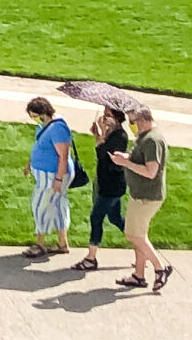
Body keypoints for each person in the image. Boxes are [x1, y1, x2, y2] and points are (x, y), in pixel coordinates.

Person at [110, 106, 172, 292]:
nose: (132, 125)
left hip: (147, 196)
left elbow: (151, 171)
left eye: (133, 121)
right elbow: (142, 160)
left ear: (143, 120)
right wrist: (127, 157)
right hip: (140, 194)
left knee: (133, 235)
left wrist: (125, 163)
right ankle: (138, 275)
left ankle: (160, 268)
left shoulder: (152, 141)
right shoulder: (146, 137)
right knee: (140, 237)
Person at [74, 105, 128, 272]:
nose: (104, 117)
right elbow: (101, 151)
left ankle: (91, 258)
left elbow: (103, 154)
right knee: (115, 218)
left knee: (96, 217)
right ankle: (141, 244)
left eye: (108, 115)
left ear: (117, 117)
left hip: (111, 185)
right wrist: (98, 134)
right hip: (107, 183)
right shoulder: (112, 133)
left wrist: (101, 134)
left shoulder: (120, 136)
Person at [23, 96, 75, 258]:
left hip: (52, 175)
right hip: (47, 173)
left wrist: (58, 179)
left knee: (40, 205)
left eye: (34, 115)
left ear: (43, 113)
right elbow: (40, 147)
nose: (33, 119)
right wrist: (30, 164)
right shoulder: (45, 126)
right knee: (58, 206)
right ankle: (62, 243)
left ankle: (40, 244)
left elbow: (63, 155)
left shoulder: (58, 128)